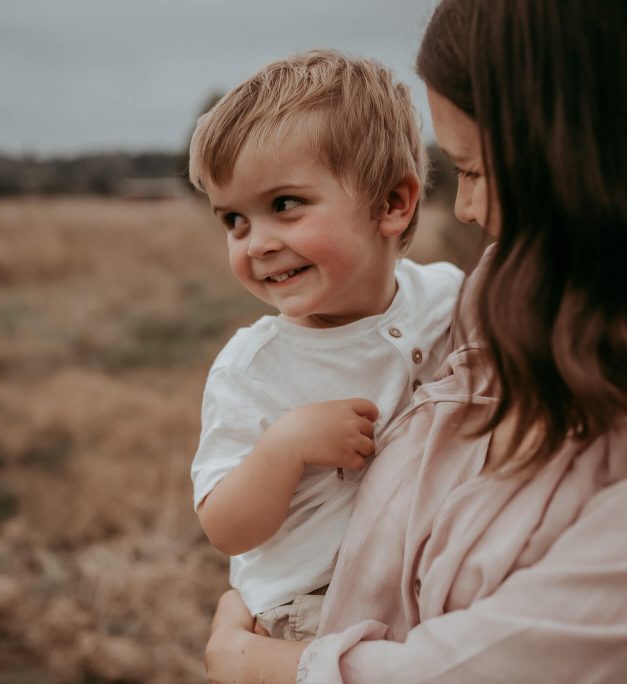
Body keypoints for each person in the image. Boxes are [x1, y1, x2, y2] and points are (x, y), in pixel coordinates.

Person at [204, 0, 627, 681]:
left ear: (604, 163)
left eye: (477, 170)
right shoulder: (508, 305)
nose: (464, 209)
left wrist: (262, 667)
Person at [187, 50, 466, 641]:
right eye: (233, 219)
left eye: (284, 206)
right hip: (311, 611)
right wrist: (282, 450)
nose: (256, 243)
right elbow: (225, 528)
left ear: (393, 204)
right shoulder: (254, 368)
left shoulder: (446, 294)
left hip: (426, 585)